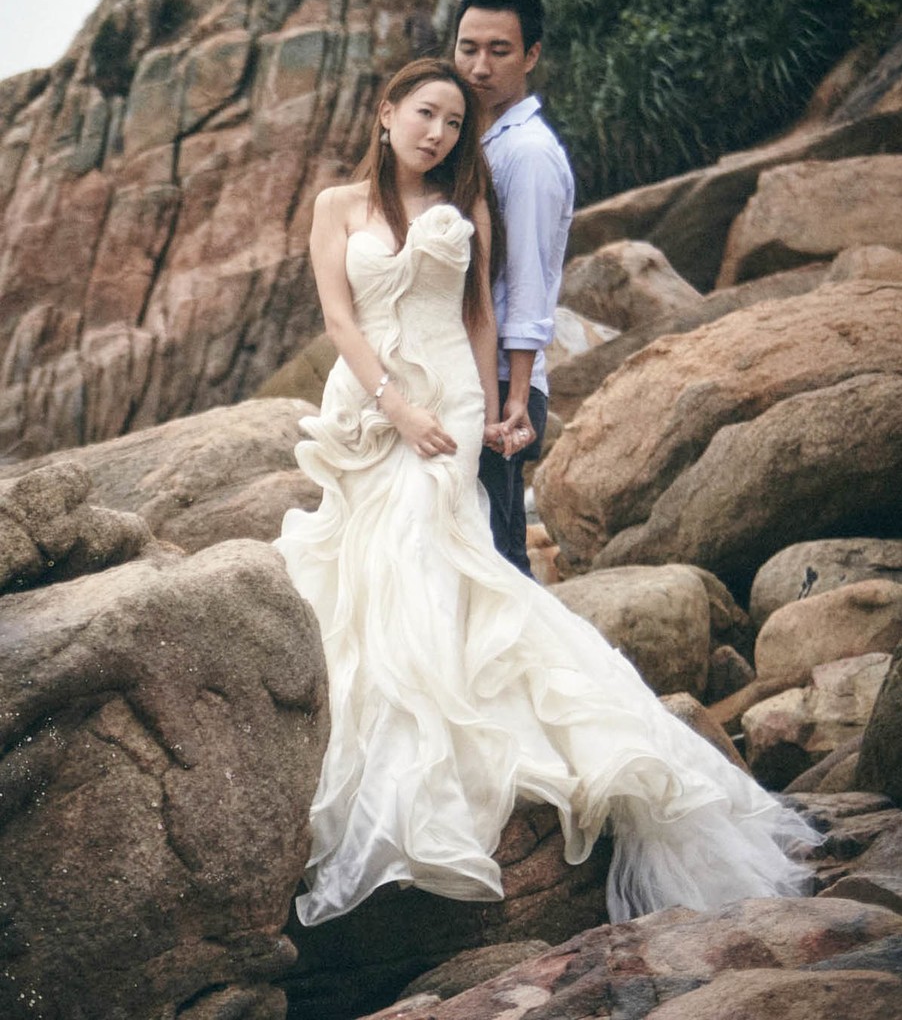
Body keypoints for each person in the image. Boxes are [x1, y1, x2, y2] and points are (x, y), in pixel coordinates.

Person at [275, 56, 816, 929]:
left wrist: (496, 409)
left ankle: (451, 748)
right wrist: (394, 406)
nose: (437, 133)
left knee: (425, 542)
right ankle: (376, 751)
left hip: (449, 397)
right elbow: (339, 318)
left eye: (453, 122)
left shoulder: (468, 201)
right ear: (384, 115)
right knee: (363, 559)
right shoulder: (336, 206)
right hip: (372, 395)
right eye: (424, 114)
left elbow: (478, 317)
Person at [454, 0, 574, 575]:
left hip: (501, 387)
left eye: (499, 51)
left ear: (530, 55)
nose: (479, 66)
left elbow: (527, 285)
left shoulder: (525, 153)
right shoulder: (477, 142)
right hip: (471, 379)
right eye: (467, 47)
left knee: (499, 564)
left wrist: (514, 397)